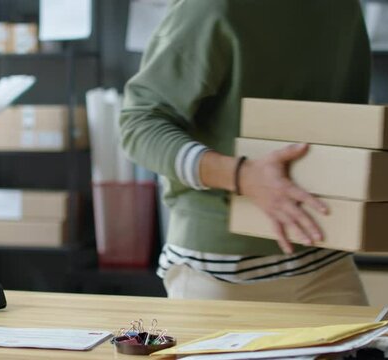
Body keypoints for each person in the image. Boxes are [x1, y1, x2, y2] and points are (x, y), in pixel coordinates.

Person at [120, 0, 371, 305]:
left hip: (326, 260)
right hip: (221, 272)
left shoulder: (344, 8)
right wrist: (243, 176)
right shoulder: (212, 7)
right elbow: (138, 125)